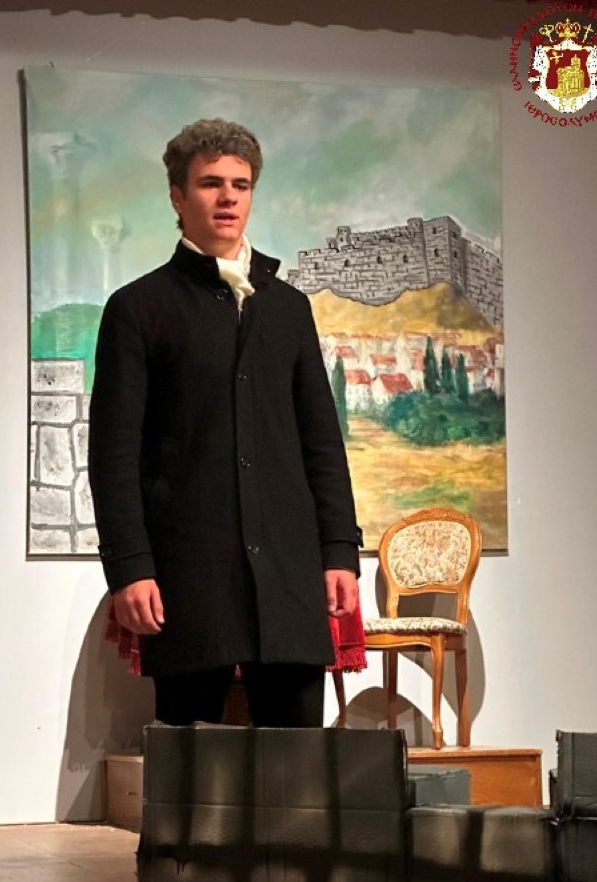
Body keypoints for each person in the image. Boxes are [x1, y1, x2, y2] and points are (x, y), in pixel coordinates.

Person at [88, 118, 361, 728]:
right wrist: (130, 567)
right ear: (178, 197)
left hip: (288, 571)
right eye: (211, 183)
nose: (228, 197)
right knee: (191, 768)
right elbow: (114, 455)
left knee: (297, 769)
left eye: (241, 184)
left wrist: (339, 550)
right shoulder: (138, 308)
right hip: (190, 572)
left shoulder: (288, 308)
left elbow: (321, 441)